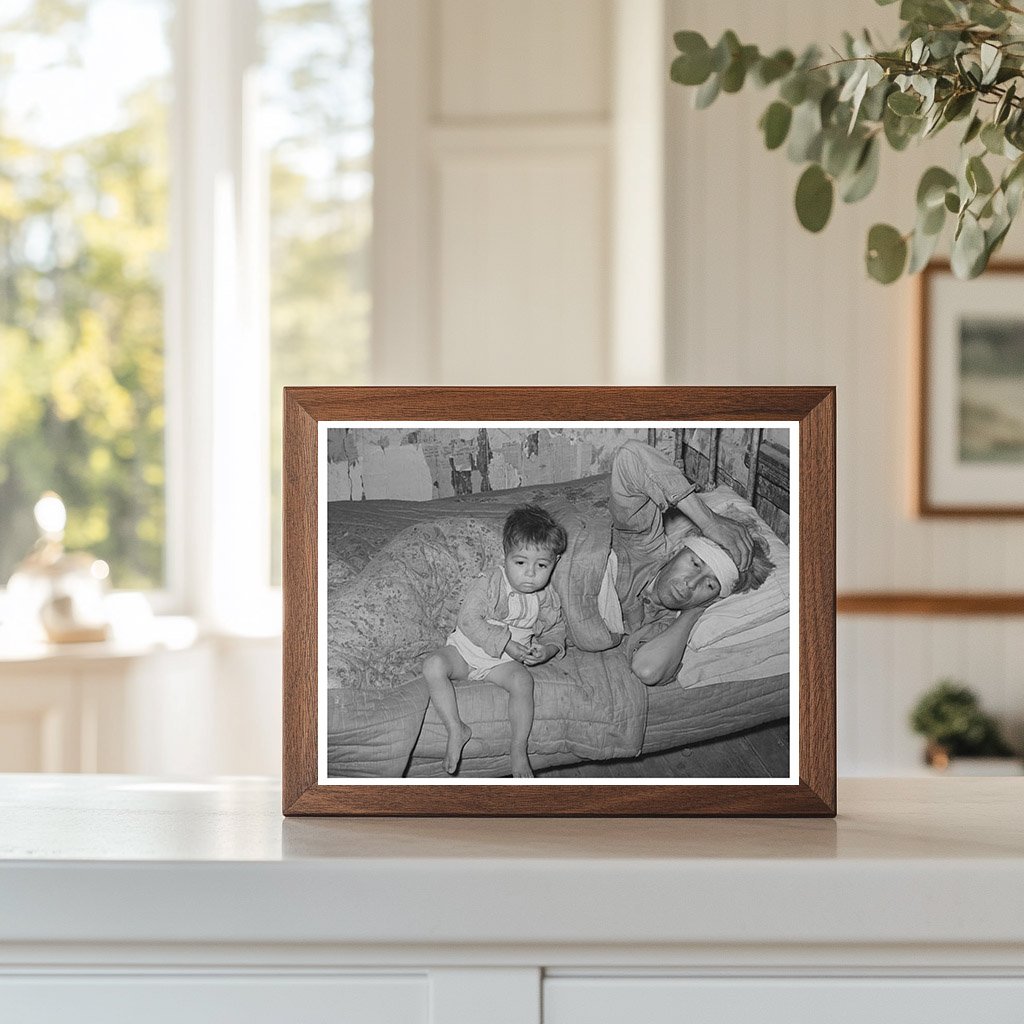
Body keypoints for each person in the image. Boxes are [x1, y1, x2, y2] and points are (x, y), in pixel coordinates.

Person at [606, 440, 774, 687]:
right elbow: (629, 455)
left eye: (710, 585)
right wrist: (710, 522)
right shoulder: (643, 546)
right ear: (678, 550)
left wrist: (693, 612)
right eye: (695, 564)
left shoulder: (664, 624)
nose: (691, 583)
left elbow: (647, 669)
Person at [422, 505, 567, 778]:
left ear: (554, 563)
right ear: (506, 556)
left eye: (542, 565)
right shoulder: (490, 582)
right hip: (465, 653)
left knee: (524, 681)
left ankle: (518, 748)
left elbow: (556, 629)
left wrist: (547, 649)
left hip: (502, 665)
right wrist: (506, 643)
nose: (530, 574)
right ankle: (456, 728)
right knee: (432, 665)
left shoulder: (547, 598)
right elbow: (468, 620)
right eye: (520, 562)